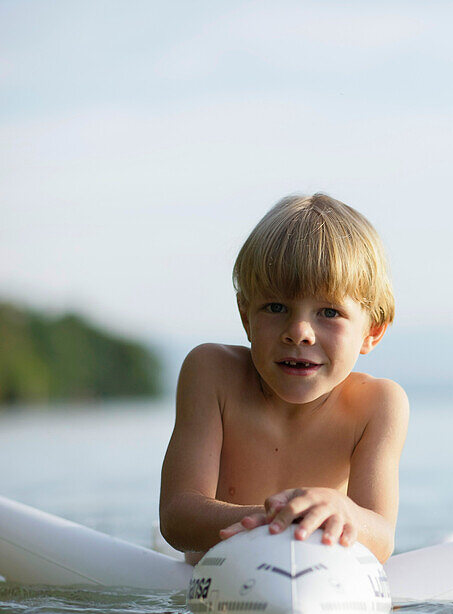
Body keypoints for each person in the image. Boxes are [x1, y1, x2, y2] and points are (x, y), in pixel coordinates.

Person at [159, 193, 409, 565]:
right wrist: (268, 522)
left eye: (329, 312)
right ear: (246, 317)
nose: (299, 332)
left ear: (372, 331)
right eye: (276, 308)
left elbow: (382, 538)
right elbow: (177, 517)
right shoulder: (212, 373)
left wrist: (346, 511)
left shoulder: (377, 405)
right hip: (216, 588)